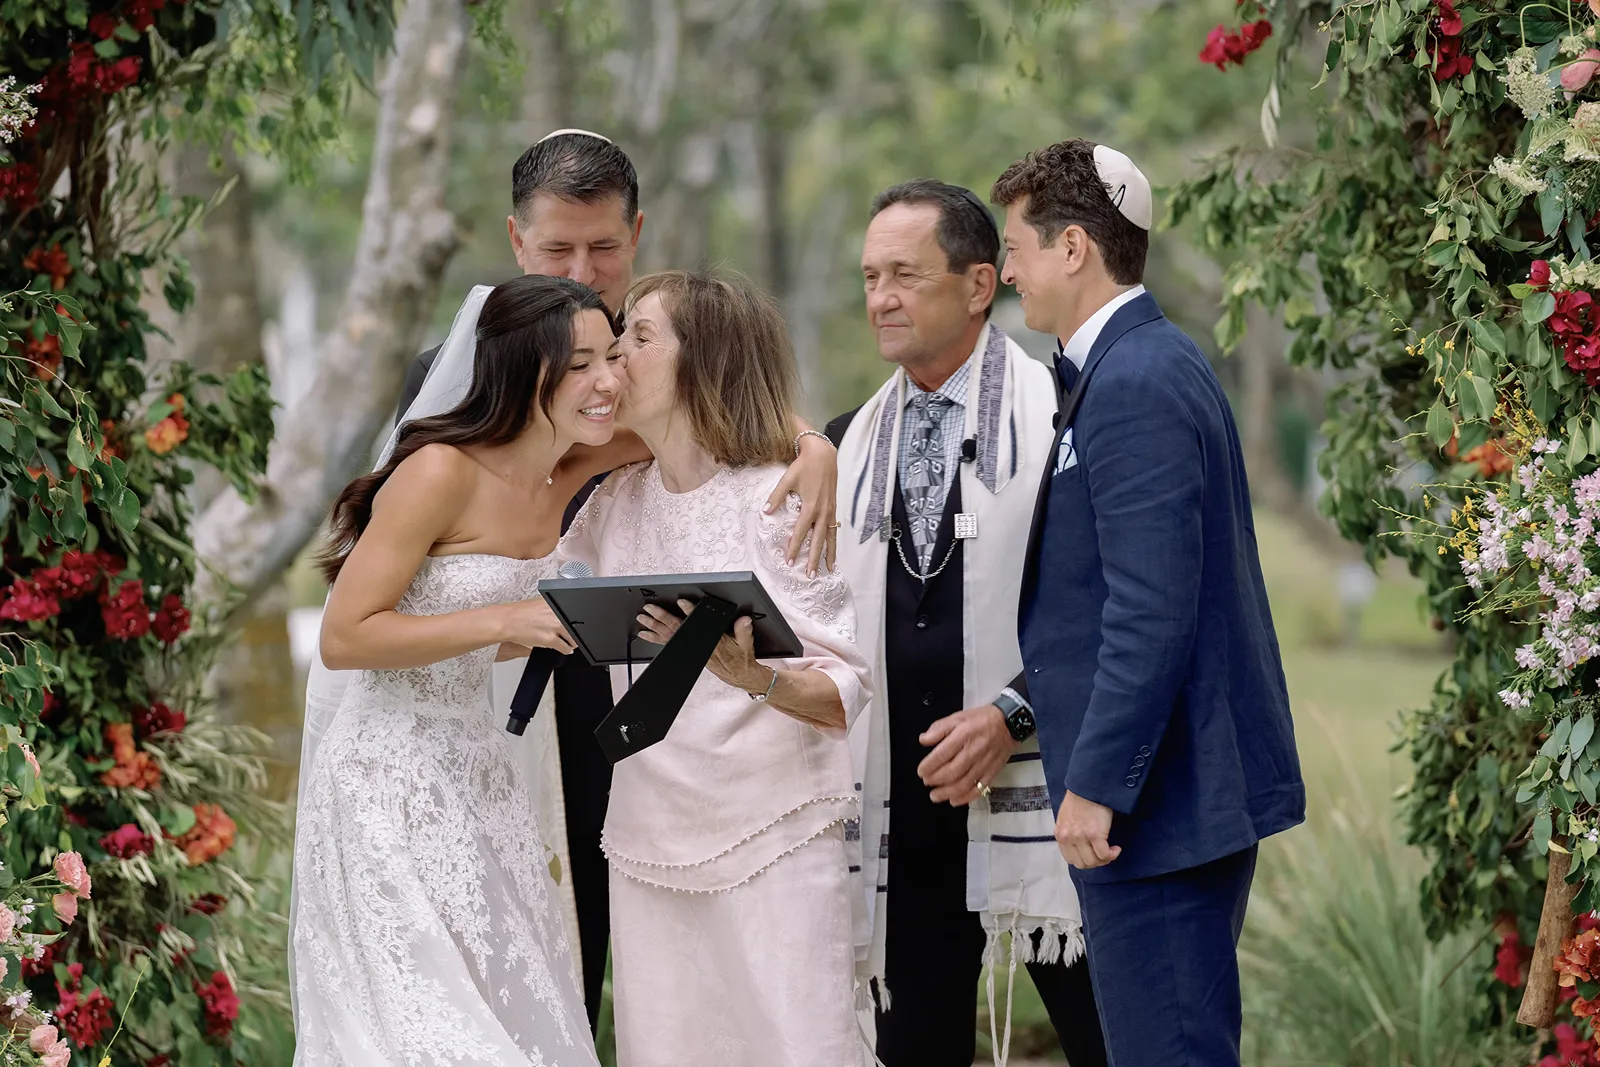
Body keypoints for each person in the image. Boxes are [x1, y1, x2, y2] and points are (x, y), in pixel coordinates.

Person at [393, 129, 839, 1028]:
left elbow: (732, 403)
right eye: (557, 248)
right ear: (517, 241)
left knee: (639, 950)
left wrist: (812, 442)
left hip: (635, 695)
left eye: (603, 247)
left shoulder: (647, 362)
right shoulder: (449, 377)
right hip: (497, 684)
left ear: (635, 234)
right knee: (515, 954)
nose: (582, 271)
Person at [995, 140, 1305, 1066]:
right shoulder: (1141, 363)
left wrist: (1097, 785)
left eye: (1015, 248)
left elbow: (1151, 608)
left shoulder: (1136, 380)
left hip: (1160, 811)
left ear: (1074, 247)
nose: (1007, 272)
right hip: (1167, 804)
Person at [292, 274, 624, 1066]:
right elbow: (346, 635)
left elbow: (707, 416)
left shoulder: (575, 467)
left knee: (520, 1015)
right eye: (581, 365)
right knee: (428, 1032)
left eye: (613, 357)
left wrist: (814, 448)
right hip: (385, 781)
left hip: (482, 777)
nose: (608, 381)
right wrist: (507, 621)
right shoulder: (440, 471)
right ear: (523, 371)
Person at [556, 270, 871, 1067]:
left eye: (639, 339)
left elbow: (843, 691)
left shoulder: (776, 501)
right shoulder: (612, 501)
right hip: (647, 841)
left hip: (773, 838)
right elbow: (545, 597)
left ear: (703, 362)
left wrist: (749, 673)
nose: (616, 358)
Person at [827, 180, 1106, 1067]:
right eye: (871, 277)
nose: (881, 298)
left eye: (905, 275)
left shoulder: (1064, 415)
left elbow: (1108, 605)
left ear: (981, 283)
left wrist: (1012, 713)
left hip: (1052, 795)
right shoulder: (844, 444)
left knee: (1112, 1041)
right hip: (901, 807)